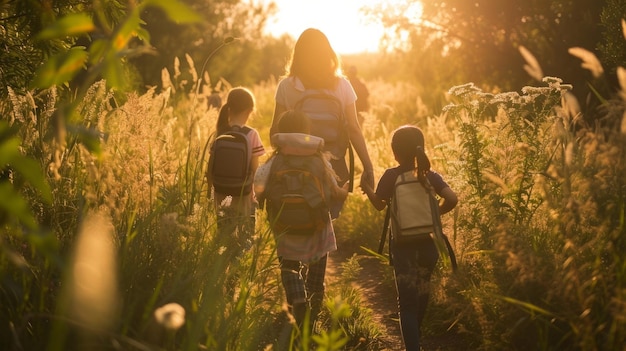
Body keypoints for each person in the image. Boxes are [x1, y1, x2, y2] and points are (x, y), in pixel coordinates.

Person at [360, 125, 458, 351]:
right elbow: (452, 199)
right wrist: (432, 213)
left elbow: (379, 205)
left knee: (406, 303)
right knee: (422, 293)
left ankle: (412, 347)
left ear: (395, 152)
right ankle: (416, 338)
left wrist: (366, 186)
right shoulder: (430, 176)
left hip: (403, 246)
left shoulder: (391, 176)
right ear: (420, 149)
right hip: (429, 244)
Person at [255, 110, 349, 333]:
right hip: (317, 226)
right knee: (316, 269)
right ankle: (312, 318)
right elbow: (335, 193)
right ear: (307, 133)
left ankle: (298, 301)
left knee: (289, 266)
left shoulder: (275, 161)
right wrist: (345, 191)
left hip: (284, 225)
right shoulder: (319, 160)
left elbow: (257, 188)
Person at [270, 28, 375, 213]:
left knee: (298, 216)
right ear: (328, 54)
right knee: (327, 219)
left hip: (295, 167)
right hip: (334, 166)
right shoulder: (342, 85)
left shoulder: (286, 86)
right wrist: (368, 166)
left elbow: (274, 134)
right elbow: (353, 128)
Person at [206, 87, 265, 247]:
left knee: (224, 235)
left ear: (229, 108)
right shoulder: (251, 134)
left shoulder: (220, 132)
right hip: (244, 194)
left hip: (221, 193)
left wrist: (210, 192)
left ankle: (222, 263)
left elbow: (210, 169)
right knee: (244, 236)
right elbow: (255, 170)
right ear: (249, 111)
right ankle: (239, 266)